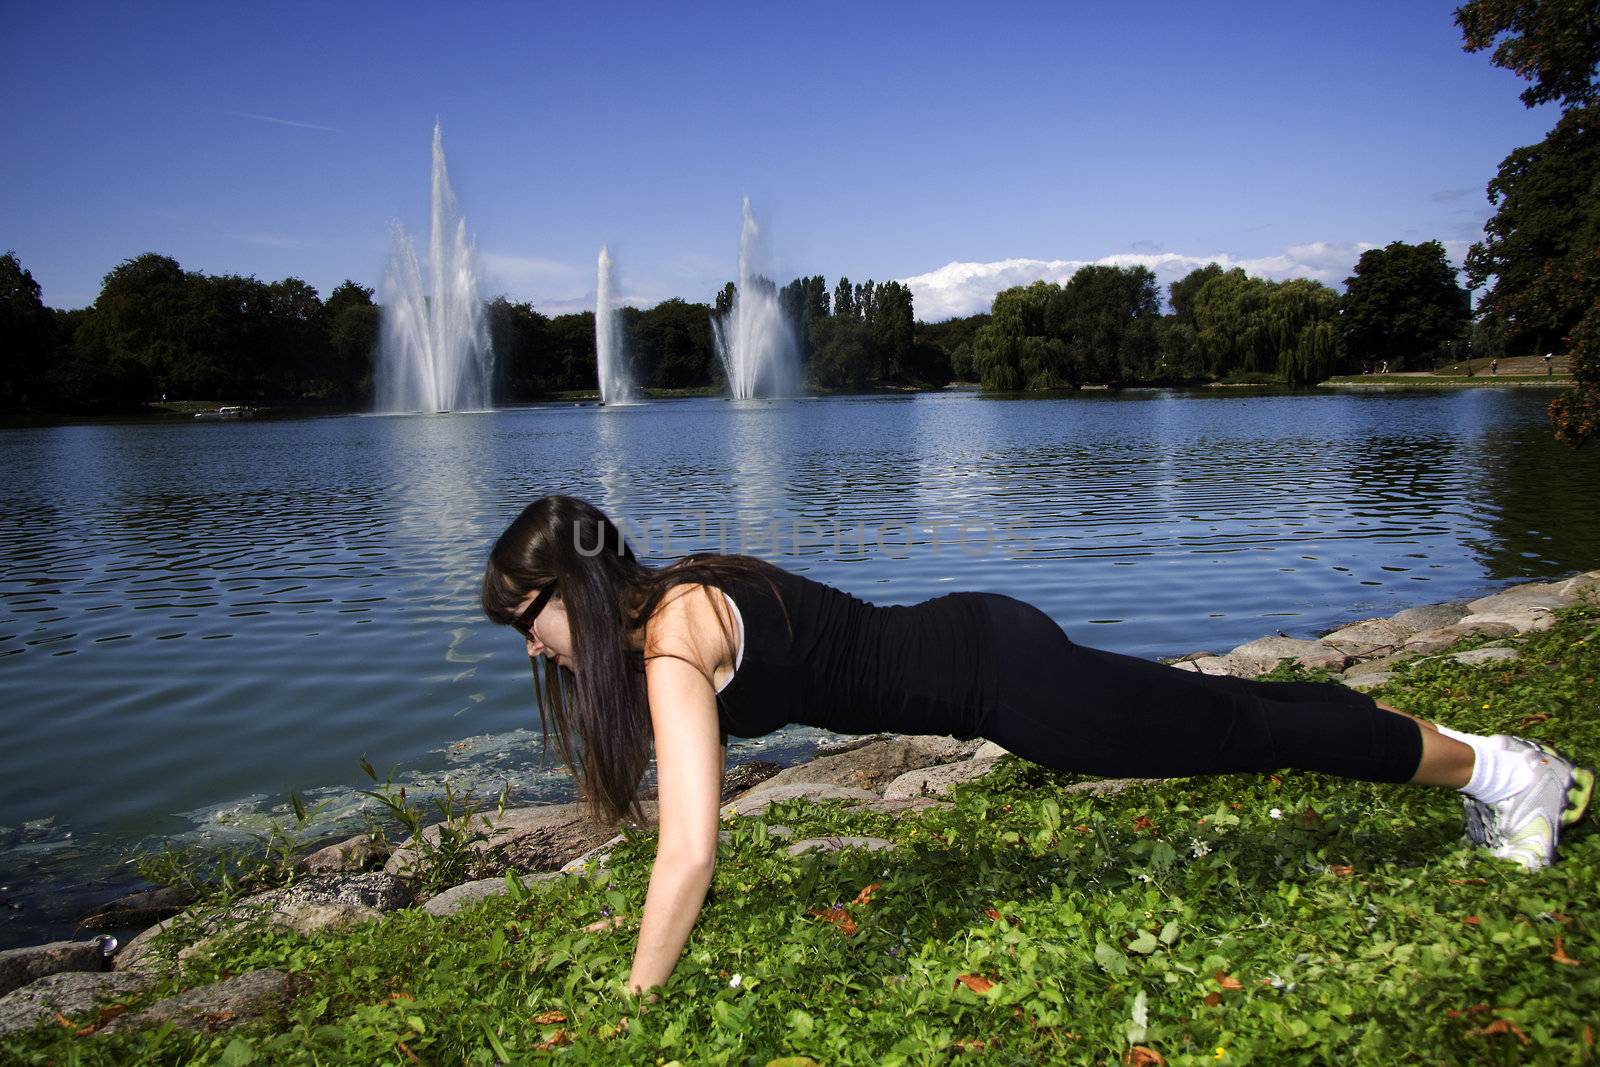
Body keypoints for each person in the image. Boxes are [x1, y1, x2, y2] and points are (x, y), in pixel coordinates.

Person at [480, 495, 1594, 993]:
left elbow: (691, 849)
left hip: (1012, 685)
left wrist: (638, 989)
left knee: (1244, 730)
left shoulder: (672, 641)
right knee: (1238, 719)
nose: (534, 650)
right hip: (990, 645)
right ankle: (1479, 755)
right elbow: (672, 825)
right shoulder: (676, 595)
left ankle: (1511, 771)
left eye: (531, 623)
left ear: (569, 590)